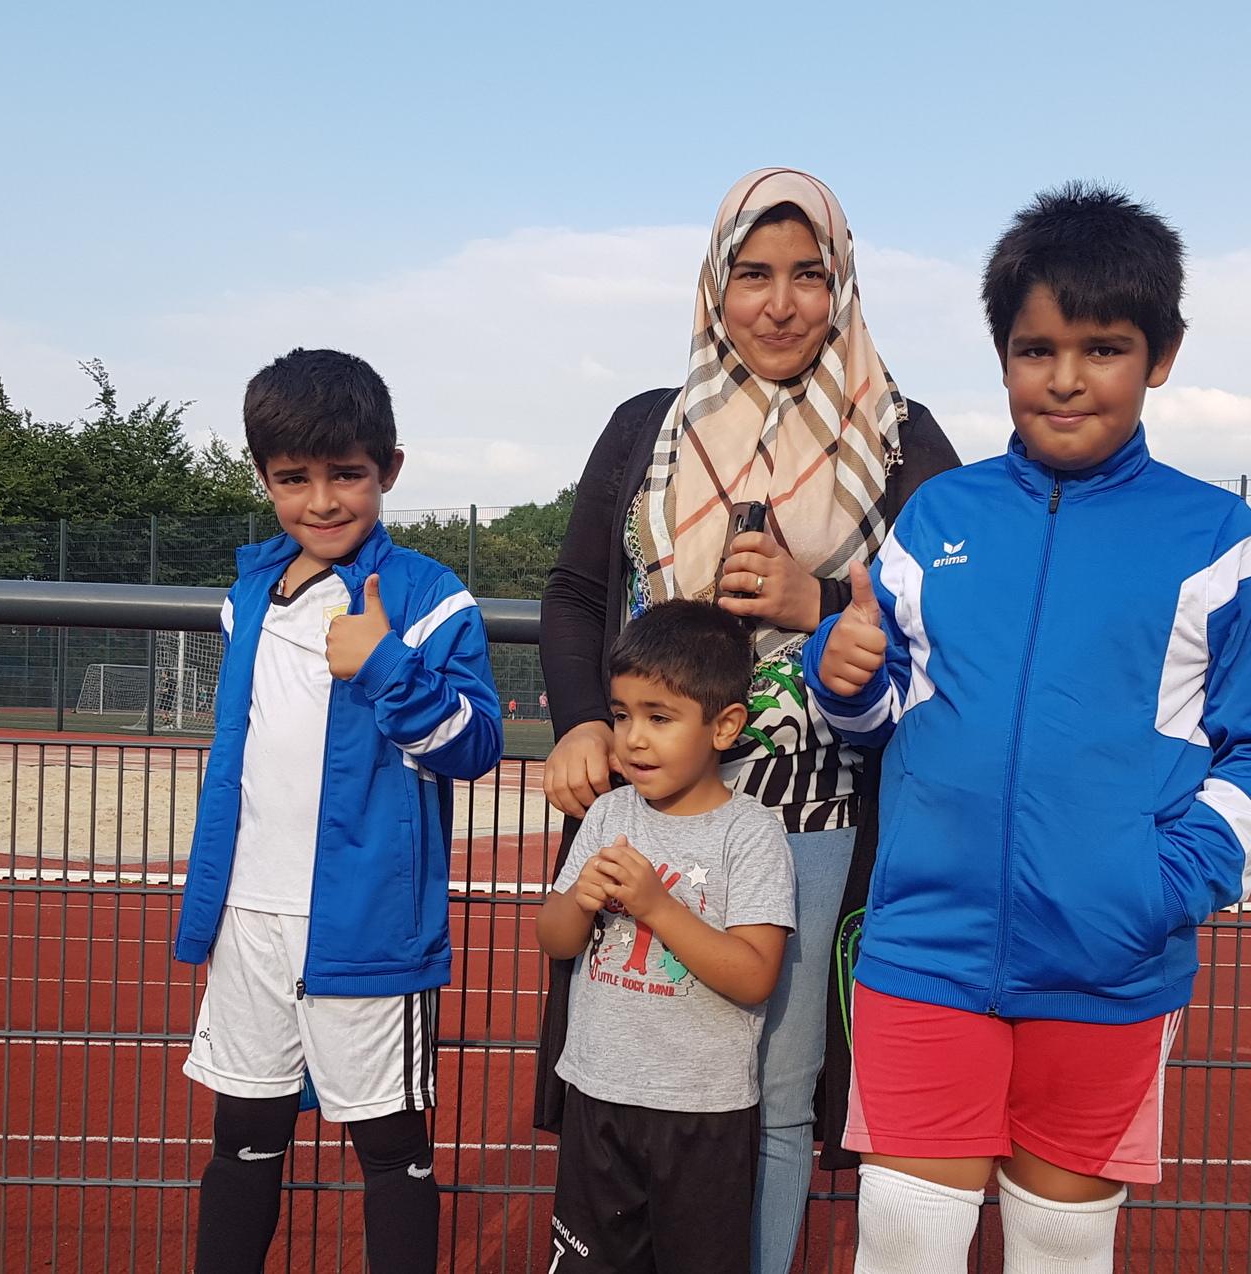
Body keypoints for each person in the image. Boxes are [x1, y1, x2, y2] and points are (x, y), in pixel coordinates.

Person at [805, 184, 1251, 1273]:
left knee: (1058, 1250)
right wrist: (840, 670)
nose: (1069, 376)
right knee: (903, 1240)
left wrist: (1164, 881)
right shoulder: (940, 515)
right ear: (1002, 357)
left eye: (1105, 347)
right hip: (925, 950)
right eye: (1037, 348)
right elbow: (878, 701)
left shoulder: (1218, 539)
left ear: (1161, 356)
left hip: (1109, 960)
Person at [533, 167, 960, 1273]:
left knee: (771, 1085)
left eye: (809, 275)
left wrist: (812, 599)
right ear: (714, 289)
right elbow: (577, 592)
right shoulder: (648, 428)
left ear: (844, 286)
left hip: (814, 808)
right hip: (653, 792)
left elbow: (957, 619)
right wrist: (581, 720)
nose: (779, 303)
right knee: (628, 1048)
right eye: (753, 275)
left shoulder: (902, 438)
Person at [172, 348, 504, 1274]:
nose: (321, 501)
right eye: (294, 478)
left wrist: (388, 663)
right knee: (242, 1135)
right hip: (249, 916)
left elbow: (477, 745)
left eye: (346, 474)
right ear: (265, 479)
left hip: (365, 926)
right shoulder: (247, 597)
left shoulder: (431, 600)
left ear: (388, 470)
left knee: (389, 1149)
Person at [536, 600, 796, 1272]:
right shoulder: (608, 814)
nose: (633, 739)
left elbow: (753, 974)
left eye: (659, 718)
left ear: (724, 725)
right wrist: (578, 899)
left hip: (700, 1115)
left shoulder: (752, 833)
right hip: (597, 1096)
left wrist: (657, 906)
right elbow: (556, 939)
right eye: (621, 716)